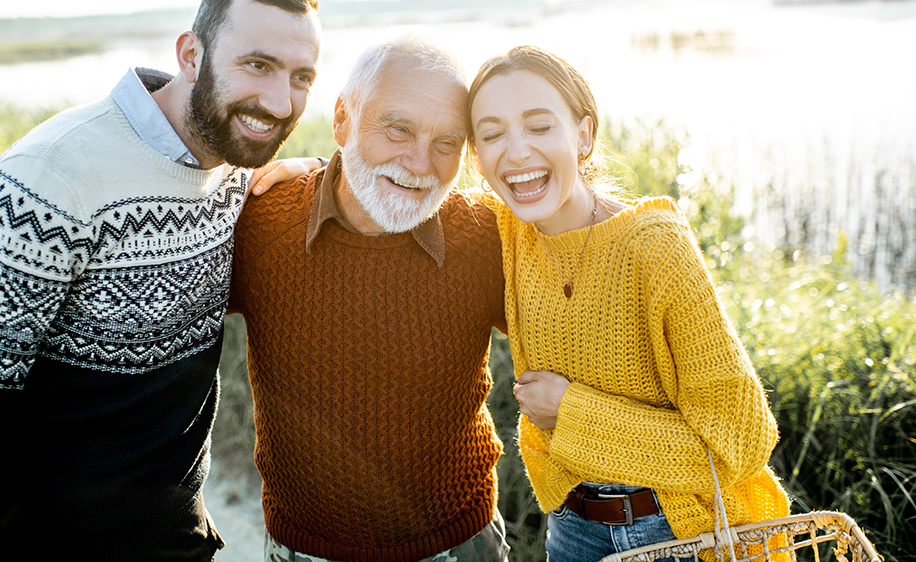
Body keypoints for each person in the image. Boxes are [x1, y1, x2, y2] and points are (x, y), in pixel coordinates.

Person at [0, 0, 322, 562]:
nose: (280, 100)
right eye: (257, 64)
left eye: (302, 77)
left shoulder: (237, 165)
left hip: (176, 537)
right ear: (191, 54)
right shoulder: (47, 178)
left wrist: (315, 177)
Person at [466, 45, 790, 562]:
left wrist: (571, 413)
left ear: (584, 135)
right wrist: (312, 172)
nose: (517, 151)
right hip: (571, 526)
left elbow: (741, 441)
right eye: (492, 133)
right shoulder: (504, 230)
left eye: (539, 126)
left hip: (677, 531)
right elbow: (408, 188)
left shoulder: (654, 245)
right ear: (477, 155)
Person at [227, 33, 510, 562]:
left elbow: (586, 312)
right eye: (397, 129)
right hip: (303, 550)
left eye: (447, 142)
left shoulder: (484, 236)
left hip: (459, 544)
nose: (421, 162)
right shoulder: (261, 220)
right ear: (342, 122)